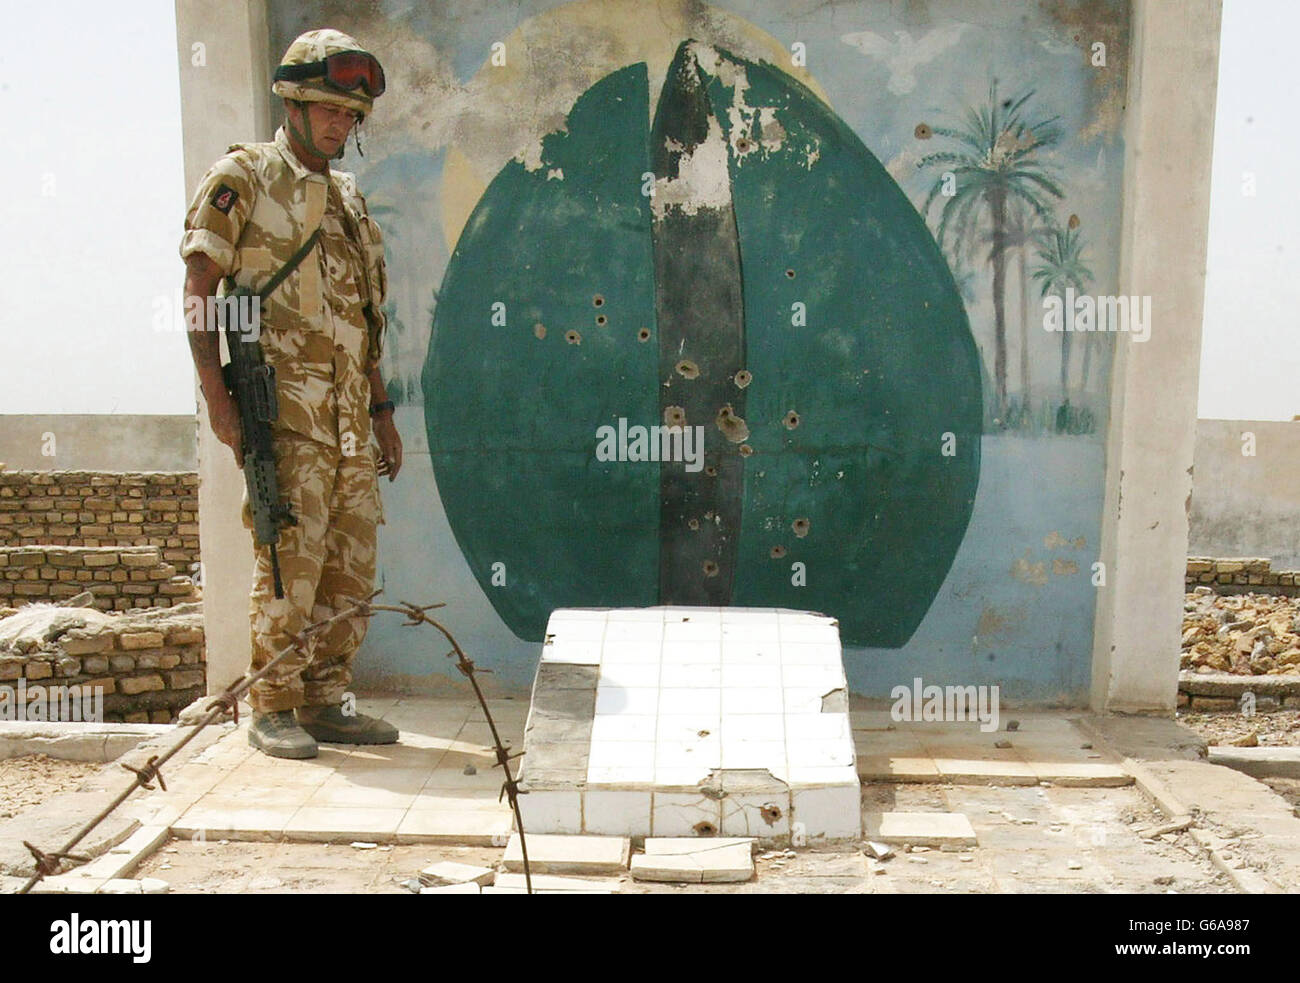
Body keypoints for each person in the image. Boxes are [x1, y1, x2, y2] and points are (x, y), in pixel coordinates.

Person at [181, 28, 403, 758]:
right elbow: (199, 291)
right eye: (329, 111)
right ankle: (271, 702)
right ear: (294, 104)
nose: (341, 125)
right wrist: (218, 398)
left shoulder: (349, 199)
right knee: (289, 560)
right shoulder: (244, 177)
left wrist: (381, 412)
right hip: (282, 413)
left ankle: (325, 698)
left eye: (351, 116)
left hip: (347, 421)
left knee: (350, 565)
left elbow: (365, 314)